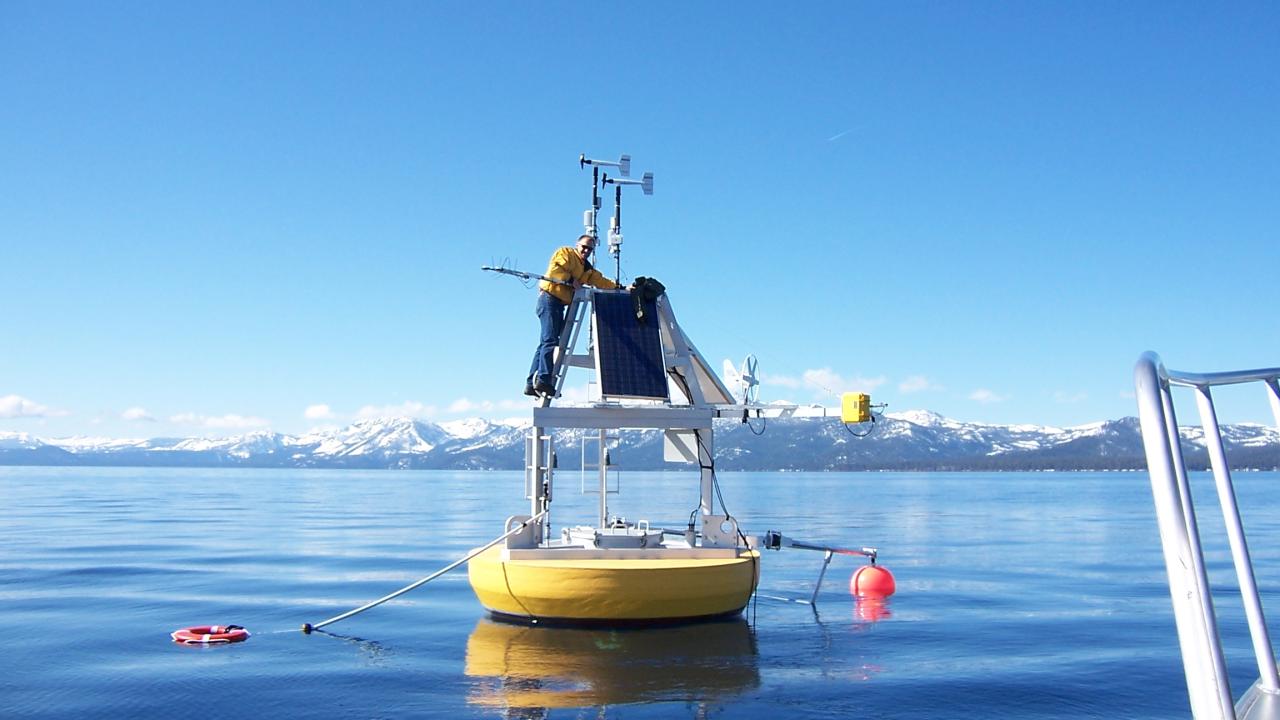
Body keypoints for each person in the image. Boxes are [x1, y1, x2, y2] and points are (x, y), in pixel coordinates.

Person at [525, 234, 621, 397]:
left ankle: (531, 383)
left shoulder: (587, 269)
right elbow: (556, 269)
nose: (586, 250)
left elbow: (601, 281)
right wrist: (570, 280)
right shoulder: (565, 253)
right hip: (549, 298)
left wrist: (620, 287)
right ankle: (543, 380)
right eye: (584, 247)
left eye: (589, 249)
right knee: (549, 341)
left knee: (545, 342)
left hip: (558, 303)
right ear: (577, 245)